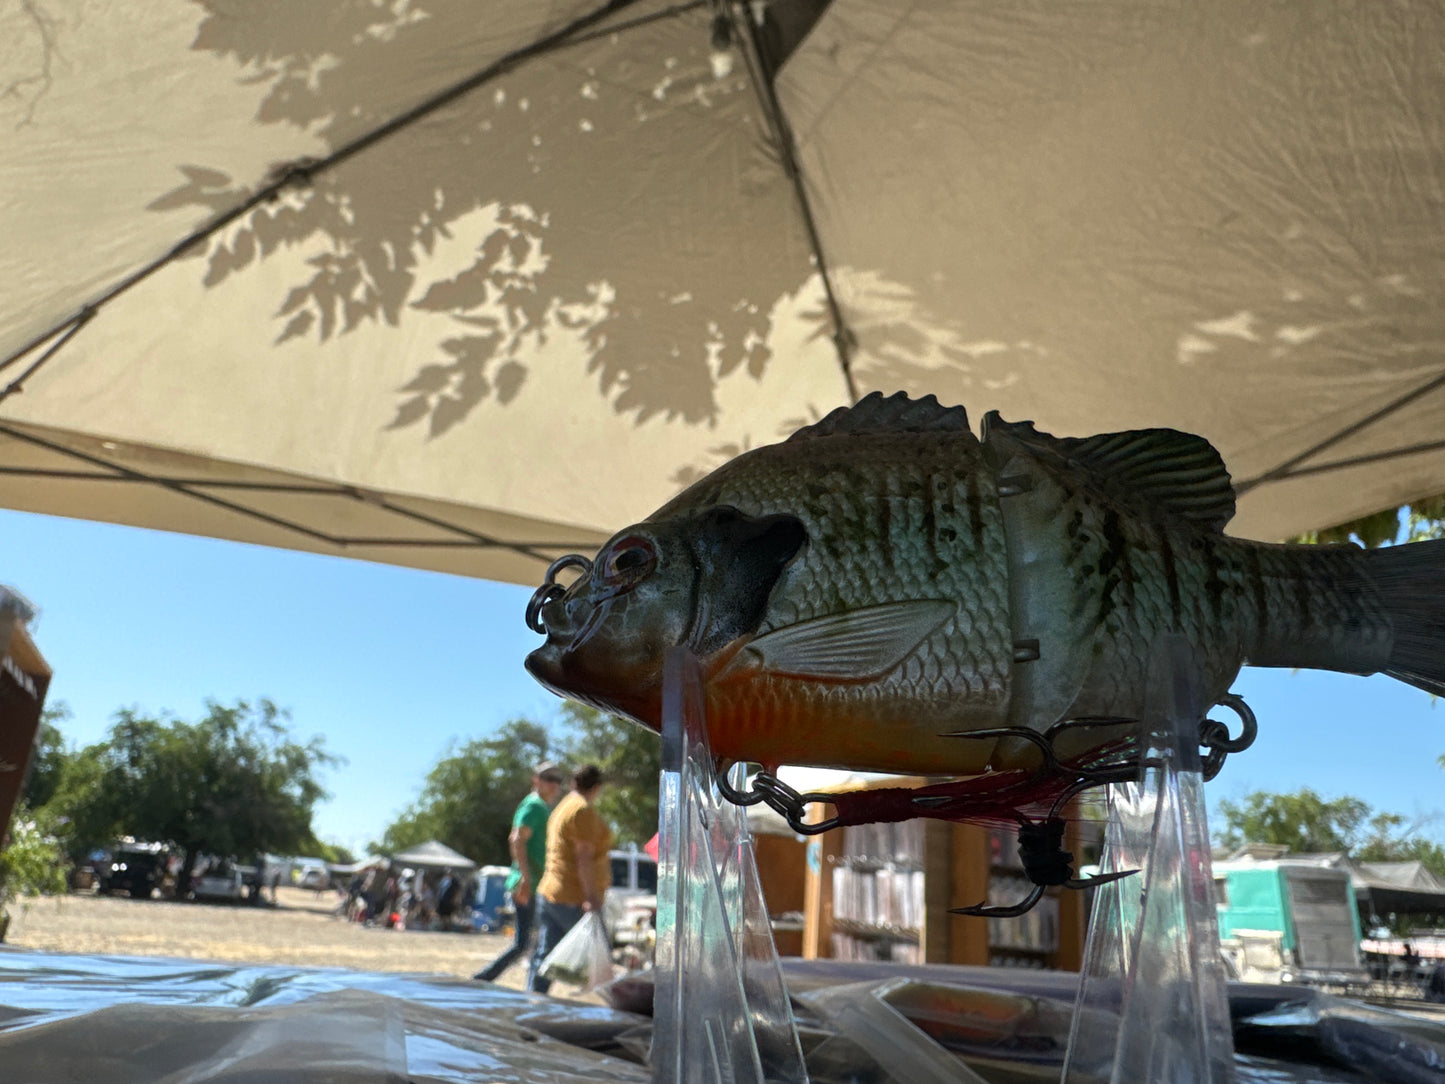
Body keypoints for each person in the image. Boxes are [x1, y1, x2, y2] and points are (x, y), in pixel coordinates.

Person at [473, 760, 566, 981]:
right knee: (526, 942)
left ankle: (494, 979)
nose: (554, 784)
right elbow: (516, 839)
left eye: (557, 780)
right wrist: (525, 877)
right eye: (548, 779)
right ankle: (484, 978)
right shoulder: (533, 806)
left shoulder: (541, 806)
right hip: (528, 882)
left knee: (531, 942)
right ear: (536, 781)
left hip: (534, 882)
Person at [528, 763, 612, 994]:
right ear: (596, 788)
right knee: (599, 956)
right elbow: (583, 857)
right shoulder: (582, 810)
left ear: (574, 783)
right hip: (572, 895)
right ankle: (617, 1010)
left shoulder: (562, 807)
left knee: (545, 955)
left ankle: (531, 1000)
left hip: (551, 890)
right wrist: (591, 896)